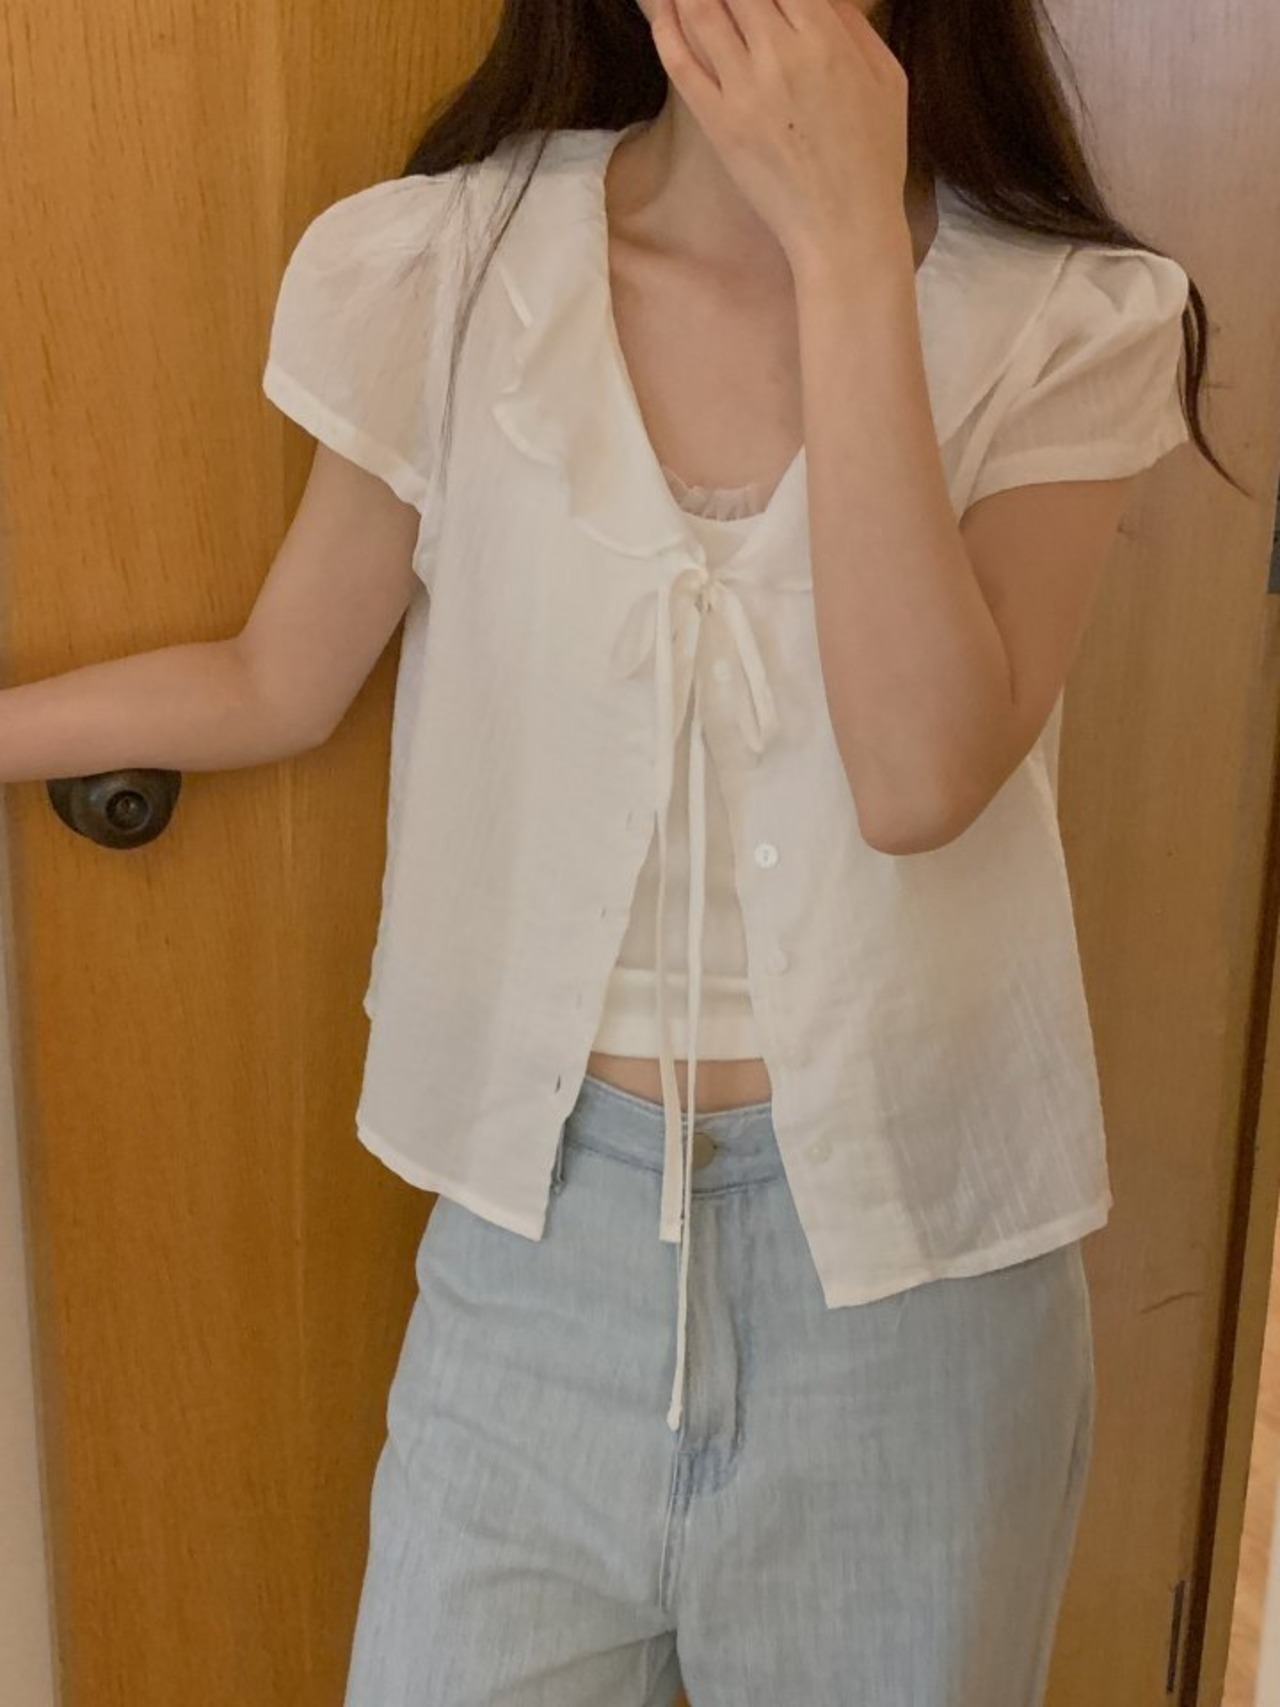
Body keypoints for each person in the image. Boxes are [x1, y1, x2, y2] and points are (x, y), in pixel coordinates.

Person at [8, 0, 1241, 1702]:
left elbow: (919, 778)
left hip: (914, 1290)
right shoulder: (456, 262)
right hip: (537, 1252)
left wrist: (847, 250)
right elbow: (278, 678)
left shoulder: (1063, 313)